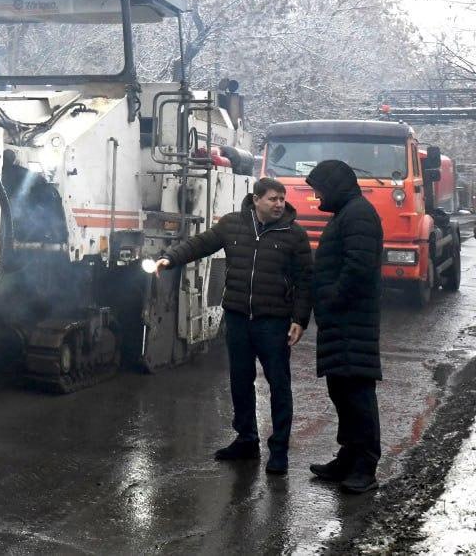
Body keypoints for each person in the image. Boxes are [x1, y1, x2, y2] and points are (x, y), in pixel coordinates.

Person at [155, 177, 312, 474]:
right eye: (272, 199)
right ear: (256, 200)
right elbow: (200, 244)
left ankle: (279, 450)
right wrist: (169, 259)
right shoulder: (232, 225)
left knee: (279, 385)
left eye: (282, 198)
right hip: (238, 318)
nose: (279, 204)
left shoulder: (293, 235)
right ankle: (246, 440)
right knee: (240, 381)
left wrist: (299, 320)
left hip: (273, 322)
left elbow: (306, 280)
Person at [305, 158, 383, 494]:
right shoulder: (346, 213)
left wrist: (331, 300)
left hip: (352, 320)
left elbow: (358, 267)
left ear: (335, 185)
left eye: (319, 188)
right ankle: (348, 456)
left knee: (357, 394)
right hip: (341, 321)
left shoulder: (358, 214)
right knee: (341, 390)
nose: (317, 195)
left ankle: (365, 465)